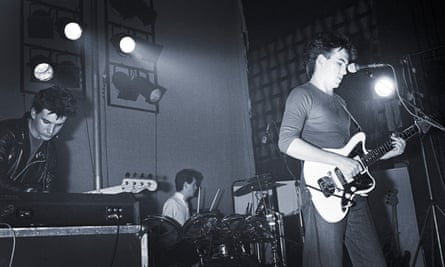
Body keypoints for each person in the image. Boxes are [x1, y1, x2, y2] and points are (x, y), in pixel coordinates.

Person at [278, 32, 406, 267]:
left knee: (374, 262)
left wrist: (388, 152)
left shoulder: (341, 103)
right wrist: (339, 162)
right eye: (340, 62)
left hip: (353, 190)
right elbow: (286, 142)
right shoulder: (302, 94)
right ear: (320, 61)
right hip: (323, 189)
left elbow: (352, 155)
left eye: (346, 64)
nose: (345, 70)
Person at [0, 86, 77, 193]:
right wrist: (26, 191)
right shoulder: (6, 133)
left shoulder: (51, 151)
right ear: (34, 113)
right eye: (46, 122)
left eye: (59, 125)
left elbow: (47, 193)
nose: (51, 131)